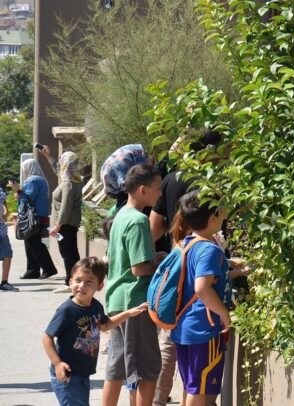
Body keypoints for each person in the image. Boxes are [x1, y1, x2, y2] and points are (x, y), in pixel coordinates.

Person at [149, 129, 224, 406]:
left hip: (177, 266)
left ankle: (157, 399)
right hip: (201, 296)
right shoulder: (209, 184)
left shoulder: (169, 180)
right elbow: (204, 287)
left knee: (175, 351)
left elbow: (154, 227)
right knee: (198, 380)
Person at [42, 257, 149, 406]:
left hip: (83, 372)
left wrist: (129, 313)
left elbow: (105, 326)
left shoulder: (96, 306)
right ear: (70, 281)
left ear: (99, 286)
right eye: (78, 280)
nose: (82, 286)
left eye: (89, 282)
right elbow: (47, 337)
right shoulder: (66, 310)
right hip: (67, 375)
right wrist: (58, 363)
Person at [103, 164, 164, 406]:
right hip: (135, 303)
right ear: (142, 190)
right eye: (157, 189)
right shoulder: (139, 220)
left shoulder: (120, 216)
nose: (160, 194)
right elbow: (139, 268)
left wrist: (153, 258)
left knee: (118, 370)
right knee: (146, 371)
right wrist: (161, 264)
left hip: (117, 300)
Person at [169, 190, 231, 406]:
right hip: (203, 328)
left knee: (192, 386)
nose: (225, 214)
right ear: (213, 216)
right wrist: (223, 313)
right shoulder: (209, 249)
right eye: (222, 209)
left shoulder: (187, 243)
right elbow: (202, 287)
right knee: (199, 389)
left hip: (184, 327)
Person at [49, 151, 84, 292]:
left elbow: (65, 206)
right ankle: (75, 280)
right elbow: (59, 171)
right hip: (69, 224)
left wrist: (57, 225)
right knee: (71, 253)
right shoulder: (74, 181)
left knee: (68, 254)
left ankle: (70, 282)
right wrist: (48, 157)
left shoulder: (68, 184)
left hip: (65, 225)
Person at [19, 157, 59, 280]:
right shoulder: (42, 180)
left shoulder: (32, 181)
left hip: (34, 217)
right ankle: (32, 270)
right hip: (40, 216)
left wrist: (18, 192)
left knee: (34, 243)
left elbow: (28, 199)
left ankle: (49, 269)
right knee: (30, 242)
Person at [0, 182, 17, 291]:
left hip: (1, 228)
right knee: (7, 252)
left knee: (7, 253)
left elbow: (5, 207)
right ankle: (4, 282)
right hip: (1, 229)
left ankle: (4, 282)